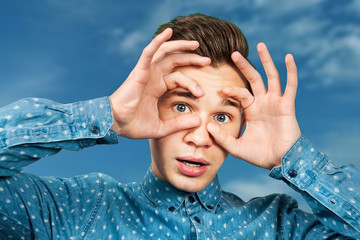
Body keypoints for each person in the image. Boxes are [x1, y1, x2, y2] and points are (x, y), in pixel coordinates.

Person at [0, 13, 359, 239]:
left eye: (222, 116)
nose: (200, 137)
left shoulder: (280, 226)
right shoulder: (71, 209)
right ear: (149, 108)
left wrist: (294, 157)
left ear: (240, 127)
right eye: (182, 106)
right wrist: (108, 114)